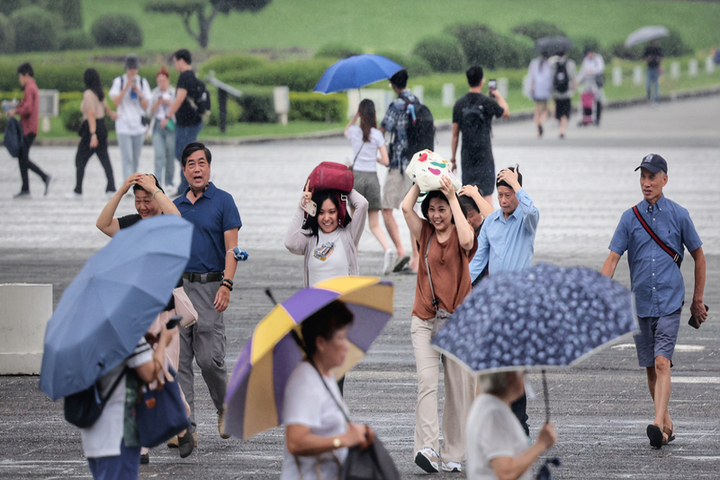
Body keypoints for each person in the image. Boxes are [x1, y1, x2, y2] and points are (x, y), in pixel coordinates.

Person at [601, 153, 707, 448]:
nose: (646, 183)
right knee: (650, 367)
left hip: (671, 300)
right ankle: (668, 425)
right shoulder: (629, 218)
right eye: (642, 177)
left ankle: (657, 424)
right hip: (642, 303)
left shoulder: (679, 214)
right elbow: (612, 259)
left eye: (652, 177)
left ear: (665, 179)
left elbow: (699, 255)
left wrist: (698, 300)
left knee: (662, 362)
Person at [95, 173, 195, 462]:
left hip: (165, 315)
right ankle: (140, 448)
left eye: (147, 199)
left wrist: (155, 188)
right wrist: (121, 191)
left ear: (157, 197)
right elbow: (102, 224)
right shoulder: (132, 225)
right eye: (138, 201)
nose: (142, 206)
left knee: (164, 372)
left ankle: (182, 419)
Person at [402, 175, 478, 474]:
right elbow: (406, 208)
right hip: (425, 319)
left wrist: (451, 196)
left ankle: (454, 453)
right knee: (427, 383)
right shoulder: (425, 232)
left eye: (441, 209)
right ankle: (428, 448)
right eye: (431, 209)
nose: (435, 215)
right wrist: (421, 180)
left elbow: (468, 240)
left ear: (450, 209)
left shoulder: (463, 232)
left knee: (460, 390)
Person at [173, 142, 242, 444]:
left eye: (202, 163)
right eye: (191, 164)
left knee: (208, 359)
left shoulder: (224, 201)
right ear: (184, 170)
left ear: (209, 168)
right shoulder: (175, 207)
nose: (197, 169)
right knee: (180, 361)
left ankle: (225, 406)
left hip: (212, 286)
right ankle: (186, 426)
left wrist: (227, 284)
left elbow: (233, 248)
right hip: (179, 289)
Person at [468, 167, 539, 436]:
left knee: (516, 364)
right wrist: (462, 288)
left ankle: (520, 421)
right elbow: (477, 263)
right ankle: (500, 418)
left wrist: (517, 185)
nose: (504, 200)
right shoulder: (491, 223)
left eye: (508, 194)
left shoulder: (526, 219)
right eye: (500, 195)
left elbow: (533, 212)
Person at [282, 301, 372, 480]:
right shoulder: (304, 381)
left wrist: (356, 432)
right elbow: (295, 441)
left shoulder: (327, 374)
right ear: (321, 343)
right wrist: (342, 440)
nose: (346, 345)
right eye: (341, 338)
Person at [80, 323, 174, 480]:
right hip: (120, 434)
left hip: (93, 435)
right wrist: (163, 341)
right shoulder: (127, 333)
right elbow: (150, 373)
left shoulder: (88, 335)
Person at [466, 371, 557, 480]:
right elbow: (506, 473)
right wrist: (541, 444)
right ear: (510, 377)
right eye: (523, 375)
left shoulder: (487, 404)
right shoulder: (494, 414)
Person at [285, 181, 368, 288]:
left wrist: (343, 187)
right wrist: (302, 206)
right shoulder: (310, 238)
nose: (326, 218)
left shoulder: (349, 235)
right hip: (316, 303)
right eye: (321, 212)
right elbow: (290, 243)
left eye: (332, 211)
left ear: (339, 212)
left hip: (342, 302)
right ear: (315, 213)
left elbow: (362, 204)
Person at [344, 99, 393, 274]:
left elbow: (345, 131)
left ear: (360, 114)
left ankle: (353, 264)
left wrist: (355, 116)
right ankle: (387, 249)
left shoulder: (355, 131)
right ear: (374, 114)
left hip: (356, 179)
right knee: (374, 224)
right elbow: (386, 161)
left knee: (354, 224)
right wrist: (376, 159)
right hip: (372, 179)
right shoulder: (377, 134)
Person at [450, 66, 509, 205]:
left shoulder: (459, 104)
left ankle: (470, 226)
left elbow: (455, 136)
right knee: (487, 195)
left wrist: (453, 159)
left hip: (467, 157)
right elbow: (506, 113)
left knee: (468, 197)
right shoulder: (487, 102)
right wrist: (498, 95)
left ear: (468, 81)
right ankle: (491, 225)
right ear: (482, 81)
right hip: (484, 155)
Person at [379, 69, 419, 273]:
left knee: (386, 208)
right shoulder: (416, 101)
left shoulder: (396, 105)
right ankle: (416, 259)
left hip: (398, 163)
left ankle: (401, 250)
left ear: (394, 85)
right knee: (411, 210)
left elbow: (383, 129)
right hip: (415, 164)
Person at [68, 68, 117, 198]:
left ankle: (78, 190)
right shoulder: (98, 92)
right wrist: (111, 114)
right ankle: (111, 187)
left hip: (92, 128)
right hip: (101, 127)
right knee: (104, 158)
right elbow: (105, 107)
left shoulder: (88, 93)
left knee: (80, 159)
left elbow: (91, 113)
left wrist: (92, 134)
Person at [164, 49, 204, 196]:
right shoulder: (193, 75)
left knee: (182, 154)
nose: (175, 65)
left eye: (175, 62)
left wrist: (168, 116)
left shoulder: (184, 77)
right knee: (186, 154)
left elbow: (180, 98)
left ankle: (189, 184)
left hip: (187, 123)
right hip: (193, 121)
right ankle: (186, 184)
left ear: (181, 61)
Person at [9, 62, 51, 199]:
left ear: (26, 75)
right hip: (30, 128)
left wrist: (15, 110)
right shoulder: (32, 87)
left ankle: (43, 178)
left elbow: (27, 109)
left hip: (28, 129)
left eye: (20, 76)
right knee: (22, 158)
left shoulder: (29, 88)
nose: (19, 79)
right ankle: (27, 187)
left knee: (23, 159)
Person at [110, 54, 152, 181]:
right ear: (126, 69)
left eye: (134, 69)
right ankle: (127, 184)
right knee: (127, 157)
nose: (132, 71)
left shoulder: (142, 82)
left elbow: (146, 105)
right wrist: (126, 87)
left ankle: (134, 182)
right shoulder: (119, 82)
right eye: (130, 69)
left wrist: (139, 93)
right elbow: (116, 101)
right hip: (123, 124)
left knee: (135, 157)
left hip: (138, 125)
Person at [149, 66, 176, 187]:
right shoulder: (155, 93)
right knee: (159, 155)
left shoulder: (173, 92)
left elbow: (178, 110)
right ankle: (157, 181)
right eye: (159, 81)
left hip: (171, 126)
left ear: (168, 80)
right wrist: (158, 103)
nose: (161, 84)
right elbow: (149, 112)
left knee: (170, 154)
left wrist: (169, 103)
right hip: (158, 125)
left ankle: (169, 181)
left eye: (163, 81)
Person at [576, 46, 605, 126]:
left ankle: (597, 118)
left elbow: (600, 68)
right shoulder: (586, 60)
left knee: (598, 99)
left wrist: (592, 71)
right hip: (588, 81)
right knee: (586, 99)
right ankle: (587, 118)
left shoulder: (598, 58)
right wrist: (577, 80)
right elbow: (582, 72)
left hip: (596, 81)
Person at [551, 50, 577, 139]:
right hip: (567, 92)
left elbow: (551, 78)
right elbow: (574, 77)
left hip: (557, 93)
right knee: (566, 112)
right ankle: (562, 129)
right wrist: (573, 88)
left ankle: (560, 127)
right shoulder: (570, 63)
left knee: (559, 112)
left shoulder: (553, 64)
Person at [527, 53, 553, 138]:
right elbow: (550, 78)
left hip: (536, 90)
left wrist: (531, 87)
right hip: (545, 90)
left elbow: (531, 76)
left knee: (537, 110)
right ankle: (541, 122)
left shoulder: (534, 63)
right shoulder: (549, 64)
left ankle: (538, 130)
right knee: (545, 110)